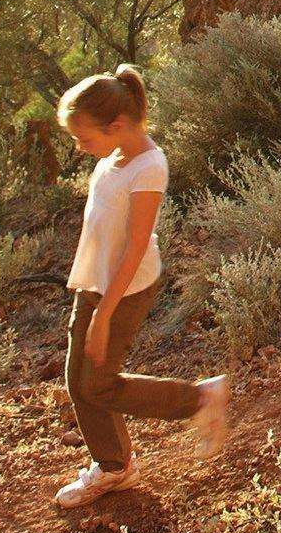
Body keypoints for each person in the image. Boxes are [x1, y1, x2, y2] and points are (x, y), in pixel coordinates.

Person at [53, 63, 230, 510]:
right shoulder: (113, 157)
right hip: (94, 282)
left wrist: (104, 317)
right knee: (80, 382)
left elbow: (134, 249)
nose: (80, 148)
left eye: (84, 138)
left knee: (100, 384)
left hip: (125, 289)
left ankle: (199, 399)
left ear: (116, 125)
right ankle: (115, 466)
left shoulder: (150, 166)